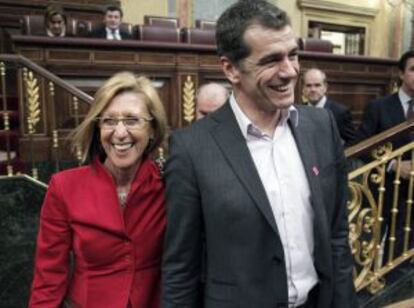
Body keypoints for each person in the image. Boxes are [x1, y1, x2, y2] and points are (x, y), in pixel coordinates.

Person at [162, 1, 357, 308]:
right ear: (231, 69)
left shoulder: (321, 125)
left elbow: (337, 233)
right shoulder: (191, 149)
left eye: (293, 54)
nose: (290, 71)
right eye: (271, 60)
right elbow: (180, 268)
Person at [29, 72, 167, 308]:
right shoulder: (64, 187)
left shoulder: (170, 185)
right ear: (98, 128)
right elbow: (49, 277)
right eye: (109, 121)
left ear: (152, 129)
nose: (120, 132)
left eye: (132, 120)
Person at [355, 50, 414, 261]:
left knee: (403, 254)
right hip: (384, 190)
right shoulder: (379, 107)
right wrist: (393, 165)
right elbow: (361, 146)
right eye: (413, 70)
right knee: (370, 251)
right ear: (401, 74)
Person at [302, 68, 355, 146]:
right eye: (308, 86)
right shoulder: (299, 111)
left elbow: (352, 142)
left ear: (325, 87)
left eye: (317, 85)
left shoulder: (340, 112)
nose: (313, 89)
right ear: (303, 88)